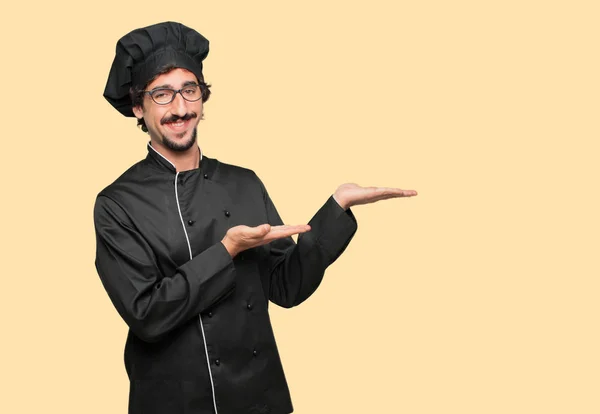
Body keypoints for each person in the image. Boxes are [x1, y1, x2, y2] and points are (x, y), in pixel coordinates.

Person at [95, 21, 417, 414]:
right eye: (162, 94)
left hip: (259, 400)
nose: (179, 108)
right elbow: (147, 315)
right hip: (174, 403)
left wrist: (337, 208)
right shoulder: (117, 203)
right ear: (138, 107)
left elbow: (286, 287)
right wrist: (228, 249)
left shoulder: (243, 182)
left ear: (202, 98)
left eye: (189, 90)